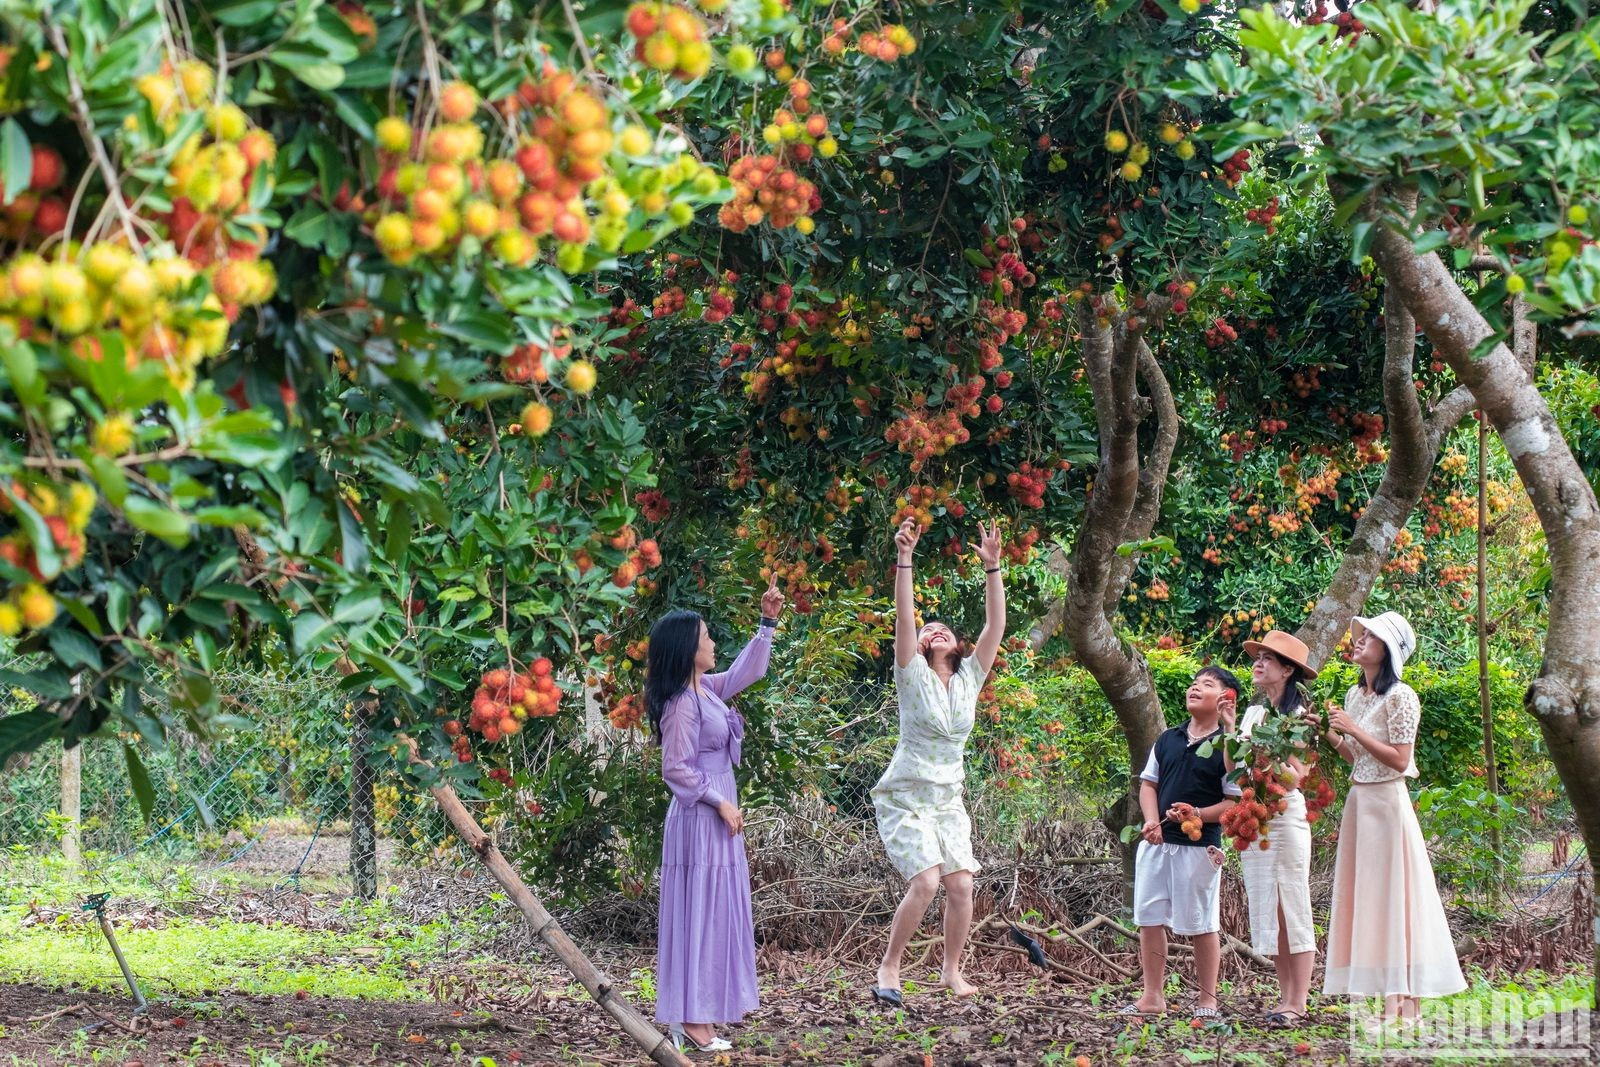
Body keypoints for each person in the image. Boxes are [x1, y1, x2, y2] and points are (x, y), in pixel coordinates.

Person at [871, 517, 1006, 1005]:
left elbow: (996, 625)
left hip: (948, 798)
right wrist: (905, 556)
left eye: (944, 626)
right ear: (923, 647)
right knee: (927, 880)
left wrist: (992, 567)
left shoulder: (971, 677)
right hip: (907, 794)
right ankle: (889, 967)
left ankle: (951, 970)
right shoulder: (912, 676)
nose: (936, 629)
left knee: (962, 885)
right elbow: (904, 618)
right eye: (930, 629)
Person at [648, 576, 785, 1053]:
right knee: (699, 914)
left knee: (715, 912)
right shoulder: (682, 705)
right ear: (688, 649)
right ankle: (691, 1019)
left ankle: (700, 1012)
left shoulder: (705, 690)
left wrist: (767, 623)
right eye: (705, 637)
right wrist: (719, 800)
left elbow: (746, 673)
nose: (711, 643)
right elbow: (676, 768)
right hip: (701, 816)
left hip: (716, 816)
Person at [1310, 611, 1466, 1022]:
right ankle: (1385, 998)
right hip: (1360, 802)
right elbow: (1353, 757)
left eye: (1370, 636)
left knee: (1397, 896)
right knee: (1368, 896)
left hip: (1388, 804)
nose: (1359, 640)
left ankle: (1404, 1001)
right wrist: (1328, 729)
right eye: (1361, 634)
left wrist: (1353, 731)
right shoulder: (1354, 696)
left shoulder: (1402, 696)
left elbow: (1399, 760)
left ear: (1389, 651)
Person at [1121, 666, 1244, 1020]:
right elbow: (1149, 785)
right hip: (1157, 842)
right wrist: (1149, 821)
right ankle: (1152, 996)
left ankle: (1208, 1001)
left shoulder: (1227, 745)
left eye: (1207, 685)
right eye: (1194, 683)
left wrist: (1196, 814)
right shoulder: (1168, 739)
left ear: (1225, 699)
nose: (1194, 687)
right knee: (1150, 918)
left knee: (1202, 923)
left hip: (1199, 847)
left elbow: (1233, 804)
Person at [1226, 629, 1318, 1029]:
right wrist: (1232, 729)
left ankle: (1299, 1000)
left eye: (1268, 658)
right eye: (1257, 657)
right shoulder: (1253, 714)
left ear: (1286, 671)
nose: (1257, 663)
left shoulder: (1301, 717)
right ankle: (1285, 998)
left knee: (1292, 903)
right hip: (1258, 814)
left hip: (1286, 816)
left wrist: (1267, 755)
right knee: (1269, 906)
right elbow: (1233, 770)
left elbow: (1300, 777)